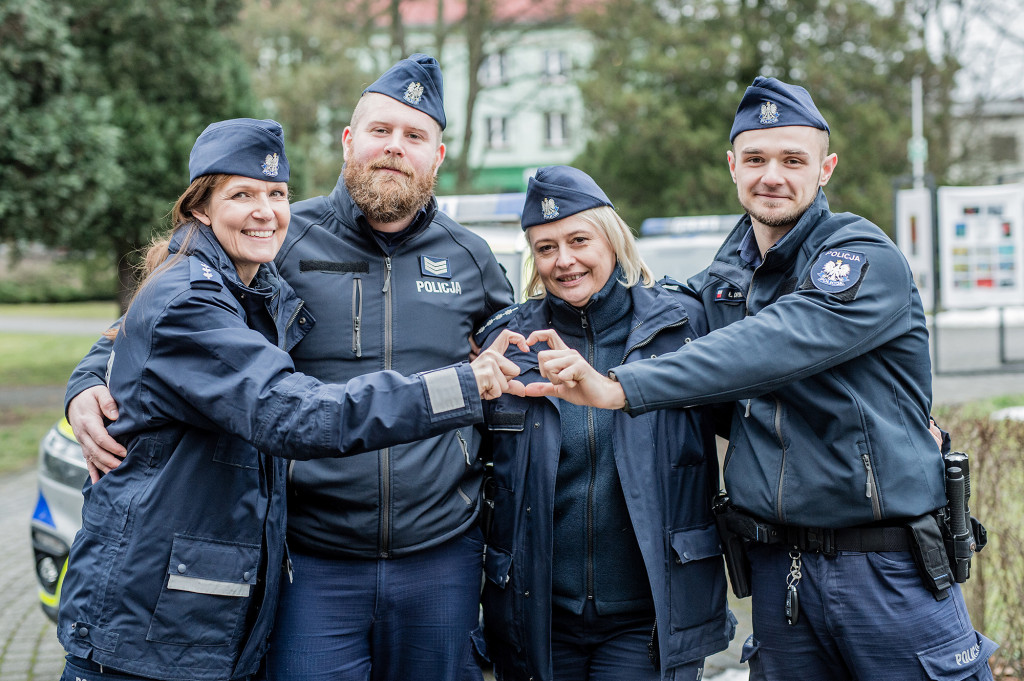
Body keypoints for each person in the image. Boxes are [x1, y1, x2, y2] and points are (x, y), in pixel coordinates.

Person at [522, 78, 997, 680]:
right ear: (732, 167)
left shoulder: (860, 255)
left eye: (792, 159)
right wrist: (567, 280)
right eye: (756, 159)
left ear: (825, 168)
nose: (772, 175)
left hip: (884, 566)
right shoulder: (725, 279)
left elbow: (774, 342)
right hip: (779, 575)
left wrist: (619, 386)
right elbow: (647, 317)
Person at [65, 54, 516, 681]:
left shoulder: (473, 257)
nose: (394, 148)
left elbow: (519, 355)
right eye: (380, 130)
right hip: (311, 559)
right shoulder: (277, 236)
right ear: (348, 141)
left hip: (440, 552)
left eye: (415, 136)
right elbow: (156, 323)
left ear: (437, 156)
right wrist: (88, 381)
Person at [474, 166, 734, 681]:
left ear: (613, 240)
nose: (564, 260)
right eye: (546, 248)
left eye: (578, 240)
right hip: (539, 619)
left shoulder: (682, 328)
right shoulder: (507, 344)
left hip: (649, 618)